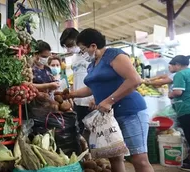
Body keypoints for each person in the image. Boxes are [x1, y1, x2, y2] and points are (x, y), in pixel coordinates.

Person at [66, 28, 154, 172]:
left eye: (83, 49)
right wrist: (71, 94)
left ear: (93, 46)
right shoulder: (92, 65)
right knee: (115, 156)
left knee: (139, 158)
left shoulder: (114, 55)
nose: (83, 53)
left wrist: (109, 100)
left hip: (130, 111)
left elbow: (134, 80)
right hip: (110, 117)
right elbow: (91, 88)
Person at [60, 27, 94, 134]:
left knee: (93, 131)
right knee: (79, 131)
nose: (69, 48)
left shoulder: (90, 56)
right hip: (78, 101)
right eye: (66, 46)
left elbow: (96, 78)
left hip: (91, 101)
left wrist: (95, 98)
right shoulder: (74, 58)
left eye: (70, 45)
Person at [168, 55, 190, 171]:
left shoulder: (180, 74)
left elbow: (178, 92)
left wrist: (170, 94)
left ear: (177, 65)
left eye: (171, 65)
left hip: (186, 109)